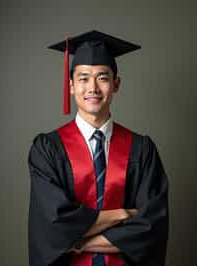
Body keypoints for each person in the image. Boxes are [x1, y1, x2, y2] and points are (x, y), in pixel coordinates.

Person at [28, 30, 169, 266]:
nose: (92, 87)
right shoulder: (48, 150)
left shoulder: (142, 150)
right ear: (71, 85)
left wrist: (78, 241)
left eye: (102, 78)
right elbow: (52, 224)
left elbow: (150, 229)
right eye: (83, 78)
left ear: (116, 84)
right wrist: (122, 215)